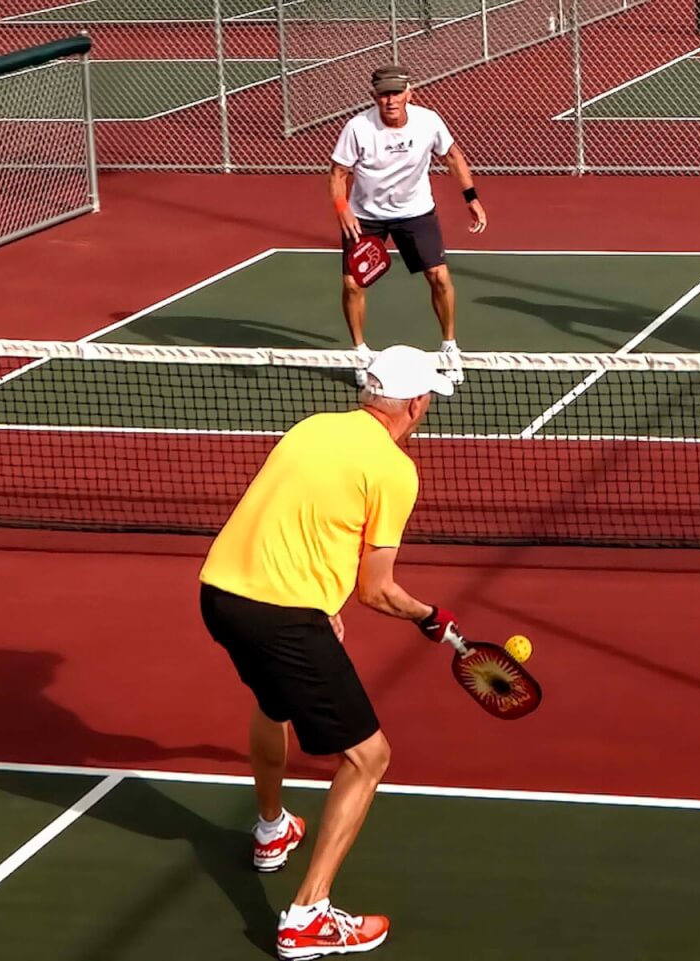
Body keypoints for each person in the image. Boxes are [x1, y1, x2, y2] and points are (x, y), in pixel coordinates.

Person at [199, 345, 469, 959]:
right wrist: (430, 616)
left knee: (272, 701)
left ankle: (272, 831)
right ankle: (306, 916)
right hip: (281, 616)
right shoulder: (397, 471)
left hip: (219, 593)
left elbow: (294, 521)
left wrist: (322, 606)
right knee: (369, 758)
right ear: (418, 403)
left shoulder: (313, 427)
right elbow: (378, 590)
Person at [330, 65, 488, 385]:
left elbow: (453, 156)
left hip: (415, 211)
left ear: (409, 93)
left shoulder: (428, 121)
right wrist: (342, 209)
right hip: (366, 217)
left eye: (396, 93)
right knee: (352, 285)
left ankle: (449, 350)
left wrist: (471, 197)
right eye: (383, 94)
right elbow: (337, 174)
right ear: (373, 96)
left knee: (439, 276)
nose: (390, 100)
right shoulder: (357, 128)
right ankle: (360, 355)